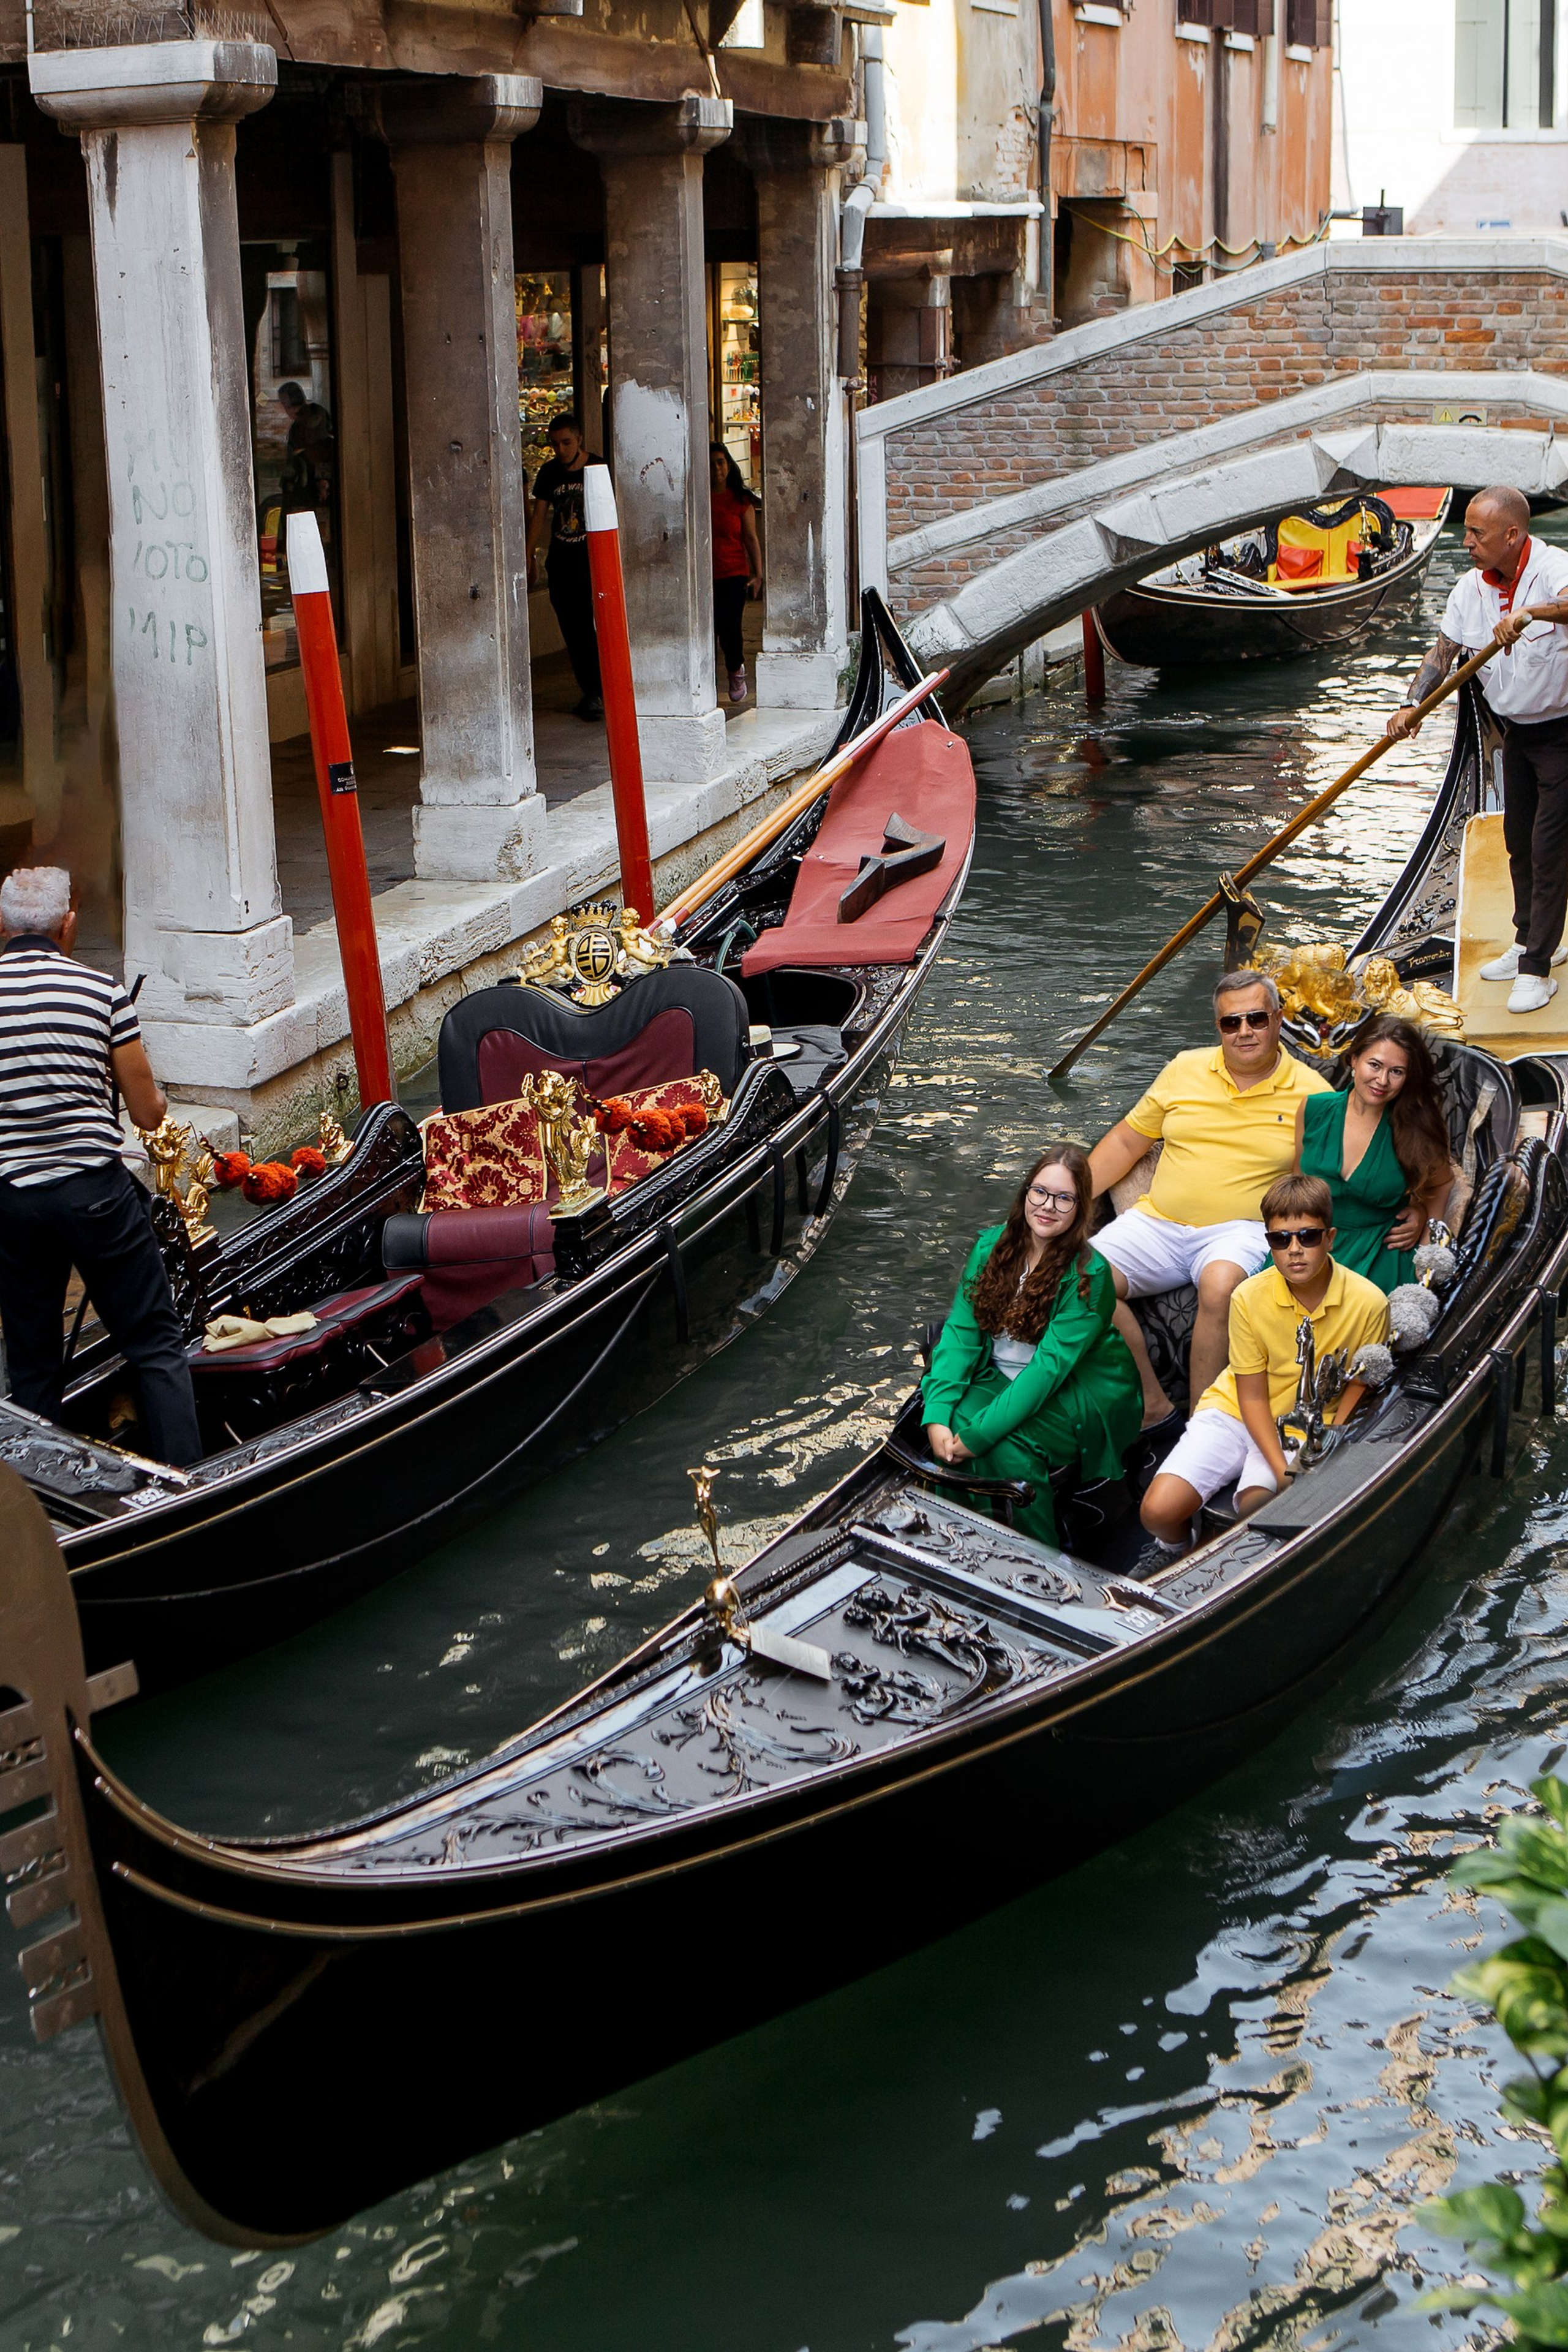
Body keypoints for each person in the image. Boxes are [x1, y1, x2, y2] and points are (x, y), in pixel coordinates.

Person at [0, 866, 202, 1466]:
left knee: (33, 1365)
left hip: (13, 1203)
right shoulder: (100, 993)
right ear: (68, 925)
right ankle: (186, 1487)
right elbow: (147, 1112)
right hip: (94, 1196)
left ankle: (45, 1509)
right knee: (155, 1343)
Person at [1087, 970, 1333, 1427]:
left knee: (1220, 1286)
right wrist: (1070, 1198)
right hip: (1158, 1222)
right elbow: (1125, 1144)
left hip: (1242, 1231)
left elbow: (1321, 1180)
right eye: (1231, 1022)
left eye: (1256, 1019)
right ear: (1218, 1027)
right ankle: (1153, 1405)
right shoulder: (1184, 1068)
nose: (1244, 1031)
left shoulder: (1313, 1093)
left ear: (1278, 1019)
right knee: (1078, 1279)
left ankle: (1204, 1423)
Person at [1385, 484, 1568, 1017]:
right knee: (1518, 840)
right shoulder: (1470, 587)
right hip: (1517, 732)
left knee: (1549, 847)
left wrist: (1531, 613)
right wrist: (1412, 705)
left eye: (1475, 533)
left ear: (1512, 534)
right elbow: (1443, 652)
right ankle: (1529, 942)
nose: (1465, 541)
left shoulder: (1555, 566)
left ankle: (1537, 970)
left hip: (1564, 733)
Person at [1139, 1173, 1389, 1556]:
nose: (1295, 1249)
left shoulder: (1370, 1303)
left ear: (1330, 1238)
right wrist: (1280, 1471)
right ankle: (1177, 1551)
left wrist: (1329, 1451)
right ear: (1269, 1243)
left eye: (1308, 1236)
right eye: (1280, 1239)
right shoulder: (1247, 1298)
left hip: (1306, 1424)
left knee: (1259, 1511)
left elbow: (1360, 1386)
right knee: (1157, 1512)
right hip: (1235, 1411)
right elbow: (1251, 1397)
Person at [921, 1145, 1142, 1548]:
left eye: (1064, 1198)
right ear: (1025, 1193)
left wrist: (981, 1434)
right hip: (998, 1375)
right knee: (949, 1437)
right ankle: (955, 1543)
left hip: (1078, 1391)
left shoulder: (1089, 1275)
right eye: (1039, 1192)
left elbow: (1047, 1372)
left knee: (1006, 1450)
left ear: (1080, 1209)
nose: (1048, 1206)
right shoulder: (990, 1248)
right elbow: (962, 1334)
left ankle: (1039, 1561)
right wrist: (937, 1415)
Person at [1294, 1013, 1455, 1291]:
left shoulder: (1416, 1126)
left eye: (1396, 1072)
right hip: (1310, 1246)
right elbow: (1297, 1184)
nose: (1382, 1080)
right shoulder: (1313, 1109)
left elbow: (1443, 1183)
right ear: (1354, 1060)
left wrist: (1426, 1230)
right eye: (1375, 1065)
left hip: (1379, 1253)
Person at [527, 413, 603, 722]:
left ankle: (600, 688)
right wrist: (528, 554)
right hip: (561, 561)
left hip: (591, 560)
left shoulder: (598, 468)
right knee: (573, 629)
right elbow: (539, 516)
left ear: (579, 439)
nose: (561, 450)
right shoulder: (549, 473)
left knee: (592, 627)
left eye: (567, 442)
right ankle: (591, 690)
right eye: (556, 444)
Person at [710, 443, 763, 705]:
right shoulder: (700, 499)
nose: (717, 468)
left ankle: (736, 669)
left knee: (730, 627)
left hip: (733, 573)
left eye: (721, 462)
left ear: (728, 465)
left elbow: (751, 539)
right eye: (711, 464)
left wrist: (758, 574)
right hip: (706, 575)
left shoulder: (741, 500)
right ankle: (706, 680)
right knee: (711, 630)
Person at [277, 381, 334, 516]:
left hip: (309, 488)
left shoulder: (309, 421)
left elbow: (322, 452)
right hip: (306, 486)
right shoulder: (307, 419)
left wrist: (323, 482)